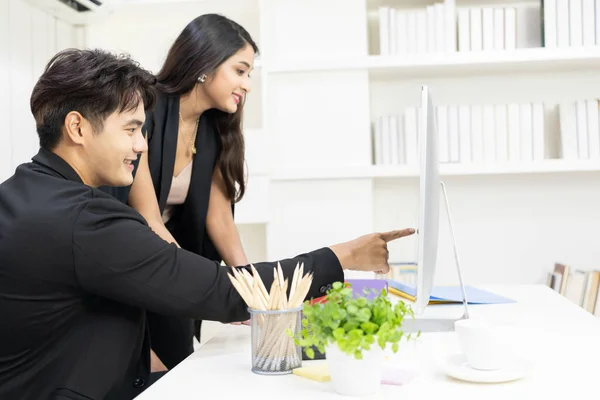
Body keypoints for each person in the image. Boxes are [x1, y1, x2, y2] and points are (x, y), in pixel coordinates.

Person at [0, 48, 415, 400]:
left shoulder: (20, 193)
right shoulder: (84, 219)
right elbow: (222, 292)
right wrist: (344, 257)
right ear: (78, 128)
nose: (142, 145)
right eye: (130, 130)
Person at [99, 13, 260, 371]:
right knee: (150, 371)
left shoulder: (215, 128)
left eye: (250, 74)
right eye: (240, 70)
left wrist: (254, 292)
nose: (247, 84)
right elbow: (147, 217)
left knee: (181, 362)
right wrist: (208, 288)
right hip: (122, 257)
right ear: (207, 63)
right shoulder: (145, 110)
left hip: (168, 257)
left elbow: (218, 218)